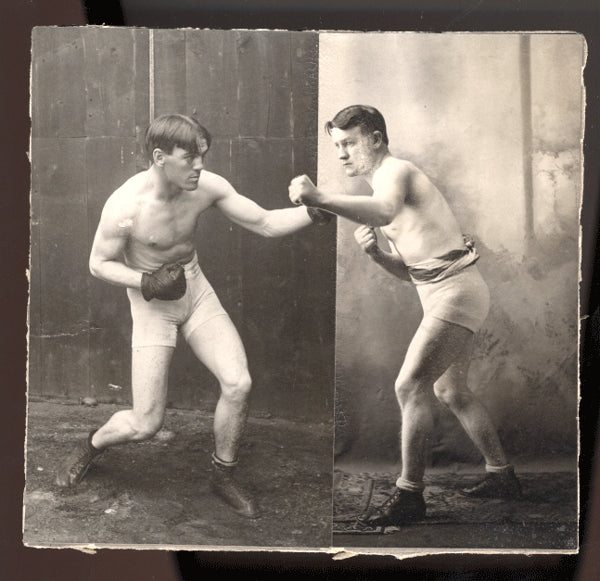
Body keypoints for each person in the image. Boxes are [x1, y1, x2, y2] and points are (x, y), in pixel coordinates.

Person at [55, 113, 332, 519]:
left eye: (203, 156)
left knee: (238, 383)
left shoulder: (207, 186)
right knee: (146, 423)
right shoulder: (125, 205)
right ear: (159, 157)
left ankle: (223, 475)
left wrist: (314, 212)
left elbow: (266, 222)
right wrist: (146, 280)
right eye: (190, 158)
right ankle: (93, 444)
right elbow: (98, 264)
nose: (200, 166)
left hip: (196, 290)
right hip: (152, 304)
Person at [288, 104, 521, 527]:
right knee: (451, 391)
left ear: (376, 138)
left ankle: (410, 496)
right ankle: (502, 475)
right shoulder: (382, 186)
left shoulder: (396, 173)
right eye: (337, 146)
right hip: (444, 293)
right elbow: (412, 273)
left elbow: (384, 212)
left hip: (458, 294)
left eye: (349, 143)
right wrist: (378, 255)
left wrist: (320, 197)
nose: (342, 155)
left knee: (410, 385)